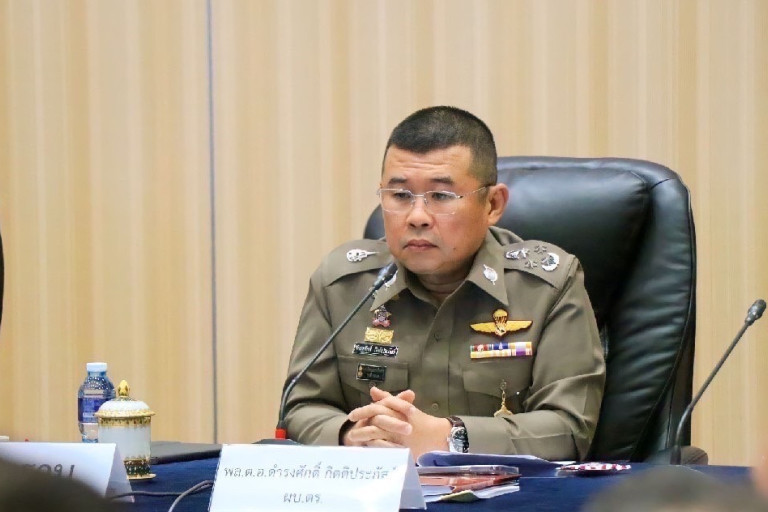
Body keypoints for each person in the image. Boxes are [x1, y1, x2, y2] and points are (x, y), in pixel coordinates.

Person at [282, 106, 605, 461]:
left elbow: (570, 427)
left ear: (492, 204)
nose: (417, 217)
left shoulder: (547, 287)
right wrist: (350, 435)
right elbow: (301, 406)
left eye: (441, 196)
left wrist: (450, 438)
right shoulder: (342, 285)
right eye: (400, 195)